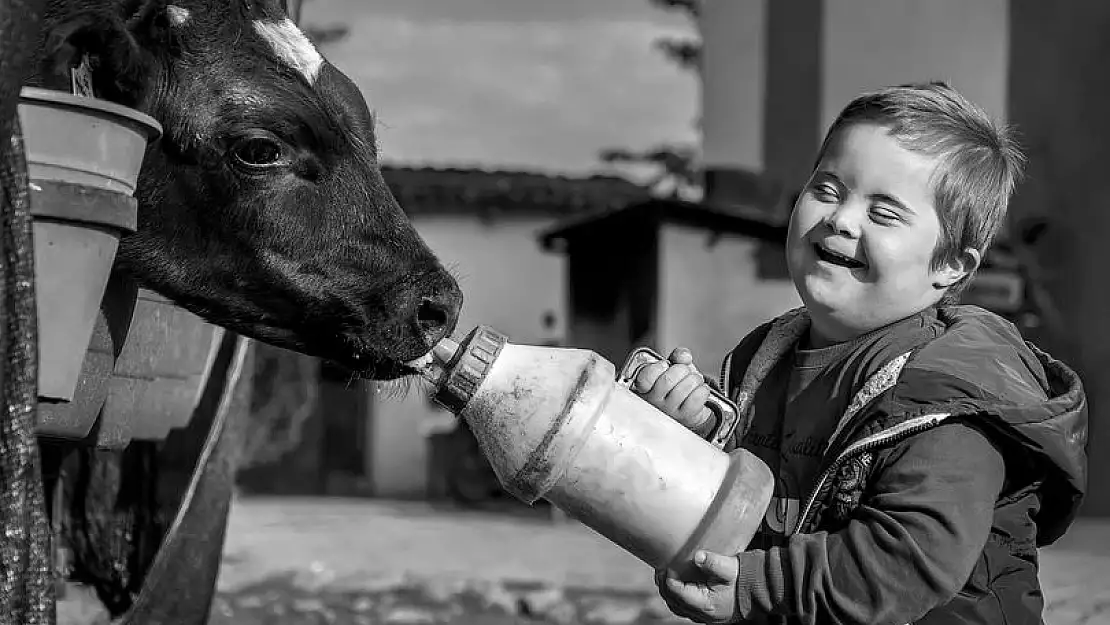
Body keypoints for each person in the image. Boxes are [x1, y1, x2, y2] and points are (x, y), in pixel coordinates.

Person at [632, 82, 1088, 624]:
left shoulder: (949, 393)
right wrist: (686, 433)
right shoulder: (765, 356)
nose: (842, 219)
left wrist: (760, 586)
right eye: (827, 189)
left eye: (885, 213)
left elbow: (903, 561)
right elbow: (734, 495)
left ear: (951, 266)